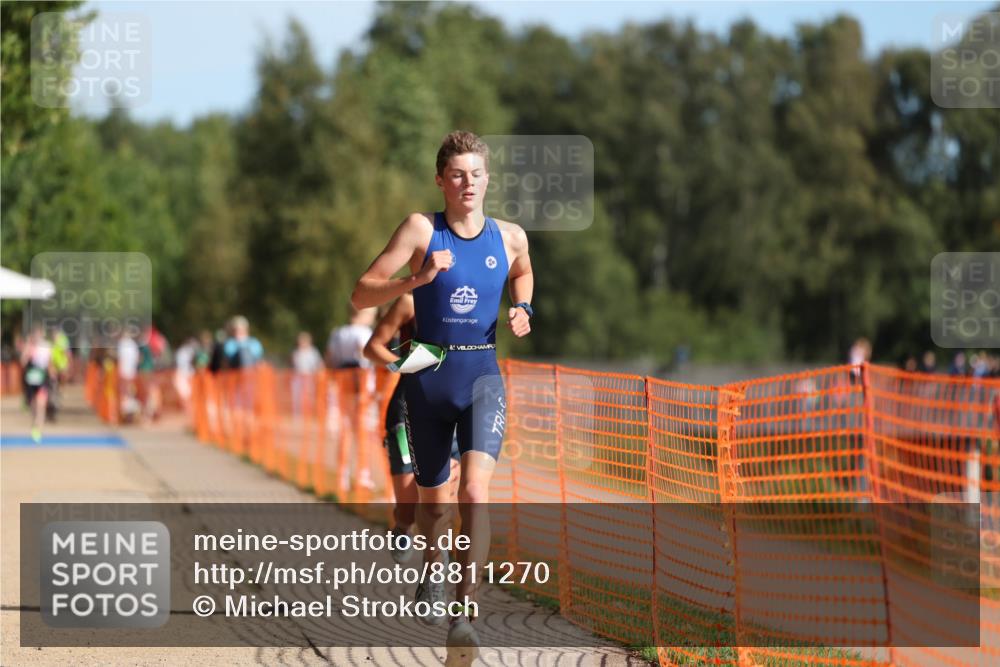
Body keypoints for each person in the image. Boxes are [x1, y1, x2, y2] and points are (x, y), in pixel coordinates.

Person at [351, 131, 533, 653]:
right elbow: (361, 290)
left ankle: (465, 613)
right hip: (427, 389)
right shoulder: (420, 230)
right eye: (457, 174)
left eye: (476, 174)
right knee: (433, 508)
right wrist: (419, 279)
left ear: (487, 179)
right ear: (441, 181)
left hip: (482, 382)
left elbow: (523, 273)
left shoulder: (511, 236)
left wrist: (524, 308)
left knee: (474, 493)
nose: (467, 183)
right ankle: (432, 565)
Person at [364, 293, 461, 564]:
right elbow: (372, 348)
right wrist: (406, 366)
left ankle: (437, 568)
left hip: (452, 408)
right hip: (407, 408)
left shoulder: (471, 298)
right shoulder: (409, 302)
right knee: (408, 508)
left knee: (443, 500)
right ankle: (403, 527)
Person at [21, 327, 54, 443]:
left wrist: (52, 374)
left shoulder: (46, 347)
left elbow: (50, 362)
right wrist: (28, 351)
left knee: (41, 404)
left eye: (39, 334)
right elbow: (23, 362)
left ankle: (38, 429)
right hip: (31, 380)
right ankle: (34, 423)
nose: (37, 337)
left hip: (42, 379)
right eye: (35, 335)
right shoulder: (29, 347)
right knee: (33, 405)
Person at [290, 331, 322, 417]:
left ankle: (309, 414)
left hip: (309, 378)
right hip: (298, 378)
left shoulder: (313, 352)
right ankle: (298, 415)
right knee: (297, 398)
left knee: (309, 397)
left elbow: (318, 365)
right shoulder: (296, 352)